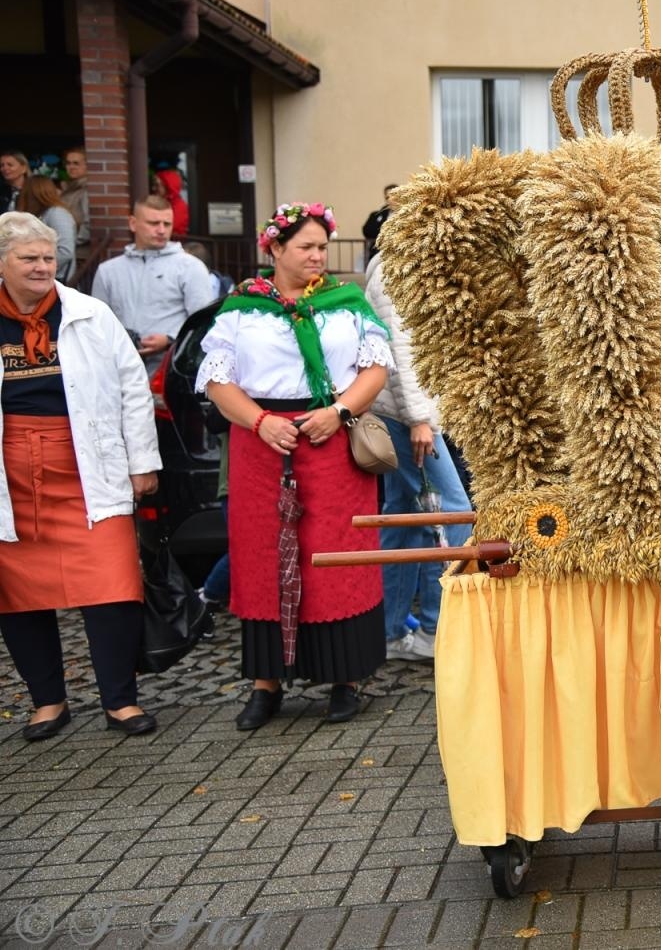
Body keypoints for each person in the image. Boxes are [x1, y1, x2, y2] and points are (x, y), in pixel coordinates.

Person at [197, 202, 392, 730]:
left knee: (336, 554)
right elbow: (218, 382)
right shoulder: (240, 309)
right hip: (263, 448)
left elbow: (375, 369)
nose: (317, 257)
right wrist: (260, 422)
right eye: (305, 247)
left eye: (322, 247)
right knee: (263, 559)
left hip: (331, 441)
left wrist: (339, 411)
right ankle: (266, 685)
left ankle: (345, 680)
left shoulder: (345, 303)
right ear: (275, 250)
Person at [0, 211, 161, 739]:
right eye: (29, 258)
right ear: (2, 263)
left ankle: (120, 701)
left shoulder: (89, 313)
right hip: (11, 473)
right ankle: (48, 702)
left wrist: (142, 463)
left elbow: (133, 388)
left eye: (48, 257)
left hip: (88, 465)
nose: (44, 266)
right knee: (18, 593)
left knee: (113, 585)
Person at [364, 251, 472, 660]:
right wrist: (419, 418)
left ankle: (389, 631)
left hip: (398, 412)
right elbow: (400, 344)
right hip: (406, 416)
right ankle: (435, 626)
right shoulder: (398, 264)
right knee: (452, 512)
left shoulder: (398, 260)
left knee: (404, 522)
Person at [91, 196, 213, 372]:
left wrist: (170, 339)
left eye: (167, 224)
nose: (162, 230)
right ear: (133, 224)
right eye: (153, 223)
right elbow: (97, 323)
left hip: (172, 365)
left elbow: (203, 322)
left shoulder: (191, 267)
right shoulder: (108, 270)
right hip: (118, 365)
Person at [17, 177, 76, 283]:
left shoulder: (57, 213)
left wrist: (39, 267)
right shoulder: (39, 214)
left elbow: (65, 251)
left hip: (55, 278)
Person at [362, 185, 399, 264]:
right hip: (380, 254)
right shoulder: (377, 215)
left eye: (393, 196)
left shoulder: (408, 214)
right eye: (387, 197)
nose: (390, 200)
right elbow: (367, 231)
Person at [59, 147, 91, 237]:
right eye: (68, 163)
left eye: (76, 163)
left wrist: (74, 241)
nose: (71, 167)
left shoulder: (86, 190)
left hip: (78, 246)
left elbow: (89, 223)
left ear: (87, 166)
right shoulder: (68, 188)